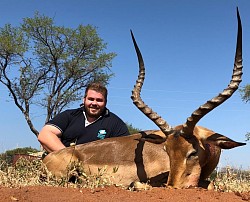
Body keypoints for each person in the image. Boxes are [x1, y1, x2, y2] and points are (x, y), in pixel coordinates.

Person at [38, 82, 130, 153]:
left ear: (105, 102)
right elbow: (44, 135)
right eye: (91, 99)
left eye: (99, 100)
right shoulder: (70, 115)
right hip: (64, 162)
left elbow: (126, 149)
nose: (94, 103)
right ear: (84, 99)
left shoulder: (116, 124)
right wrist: (69, 158)